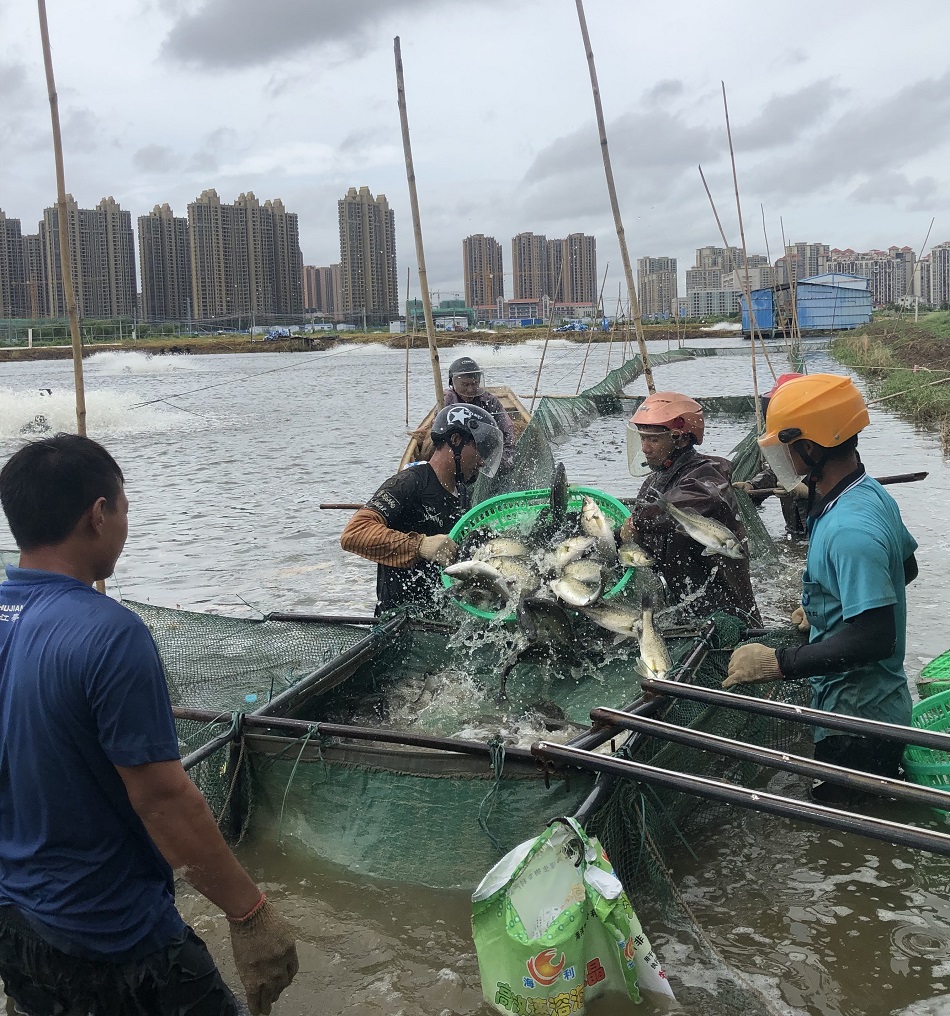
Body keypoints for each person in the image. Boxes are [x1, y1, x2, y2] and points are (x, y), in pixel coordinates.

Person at [0, 434, 298, 1015]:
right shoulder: (111, 633)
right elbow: (161, 797)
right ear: (99, 514)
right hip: (110, 933)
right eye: (126, 510)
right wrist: (249, 913)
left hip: (14, 921)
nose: (126, 526)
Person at [724, 374, 918, 803]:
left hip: (857, 722)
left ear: (809, 448)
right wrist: (830, 608)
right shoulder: (868, 495)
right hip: (877, 708)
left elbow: (875, 637)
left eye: (785, 446)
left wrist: (779, 662)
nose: (781, 457)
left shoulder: (849, 528)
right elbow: (906, 569)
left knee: (850, 844)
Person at [341, 403, 503, 612]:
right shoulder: (409, 483)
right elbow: (353, 533)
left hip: (442, 614)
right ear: (455, 440)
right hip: (401, 618)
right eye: (480, 450)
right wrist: (420, 546)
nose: (482, 461)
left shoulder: (462, 494)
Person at [620, 391, 759, 622]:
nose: (645, 448)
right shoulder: (653, 482)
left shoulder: (709, 475)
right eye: (642, 438)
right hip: (682, 604)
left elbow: (695, 501)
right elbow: (647, 537)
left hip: (724, 610)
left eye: (653, 439)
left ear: (681, 438)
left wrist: (636, 522)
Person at [732, 373, 809, 539]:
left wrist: (809, 494)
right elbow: (775, 472)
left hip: (819, 531)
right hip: (795, 534)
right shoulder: (787, 447)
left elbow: (847, 501)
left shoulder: (829, 450)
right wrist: (752, 487)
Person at [443, 357, 516, 471]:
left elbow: (507, 430)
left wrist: (504, 459)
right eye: (465, 385)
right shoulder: (447, 402)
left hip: (485, 450)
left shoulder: (489, 401)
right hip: (457, 452)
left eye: (474, 383)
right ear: (453, 383)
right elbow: (439, 435)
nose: (470, 389)